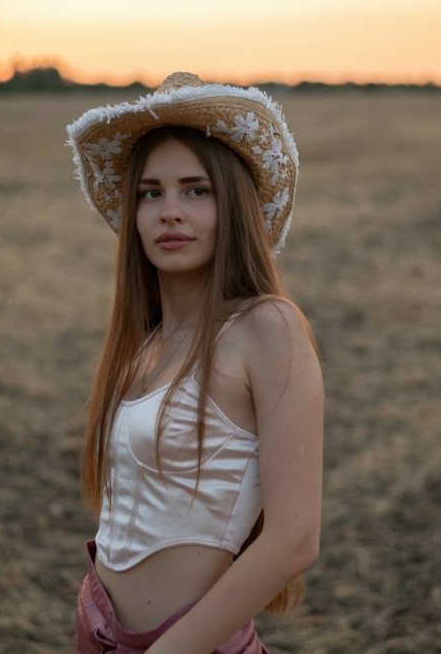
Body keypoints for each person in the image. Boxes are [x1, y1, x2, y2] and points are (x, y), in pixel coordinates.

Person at [66, 72, 324, 653]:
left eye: (196, 190)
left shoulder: (266, 327)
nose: (170, 212)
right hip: (99, 632)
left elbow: (294, 540)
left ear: (231, 205)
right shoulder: (144, 346)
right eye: (150, 193)